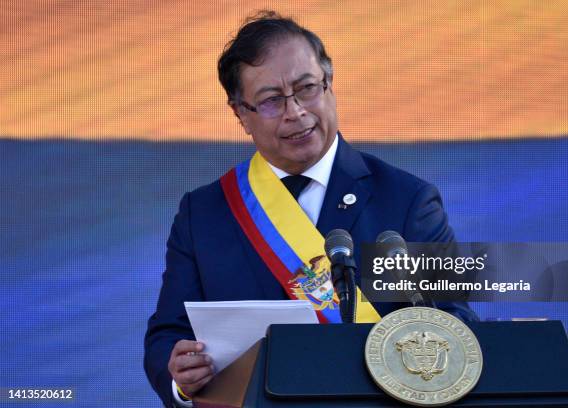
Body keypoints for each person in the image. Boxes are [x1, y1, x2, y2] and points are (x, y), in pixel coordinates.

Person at [144, 11, 478, 407]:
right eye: (271, 101)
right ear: (240, 114)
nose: (296, 112)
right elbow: (167, 336)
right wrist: (181, 377)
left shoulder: (408, 200)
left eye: (307, 89)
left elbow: (456, 325)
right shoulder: (203, 213)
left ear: (330, 84)